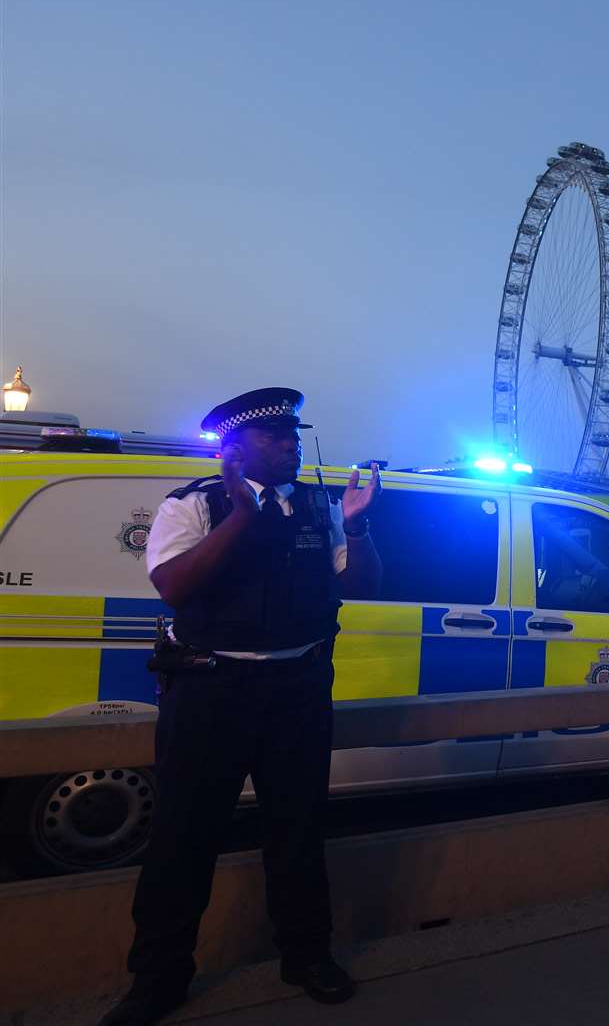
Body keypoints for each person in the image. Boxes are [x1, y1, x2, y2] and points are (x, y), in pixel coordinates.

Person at [101, 389, 382, 1026]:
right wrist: (240, 517)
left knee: (299, 832)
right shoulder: (191, 505)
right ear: (233, 451)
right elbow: (172, 585)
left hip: (298, 694)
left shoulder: (319, 505)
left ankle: (306, 956)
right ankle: (158, 980)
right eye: (275, 435)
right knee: (183, 840)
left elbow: (363, 585)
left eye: (295, 433)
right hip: (210, 693)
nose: (292, 442)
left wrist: (359, 523)